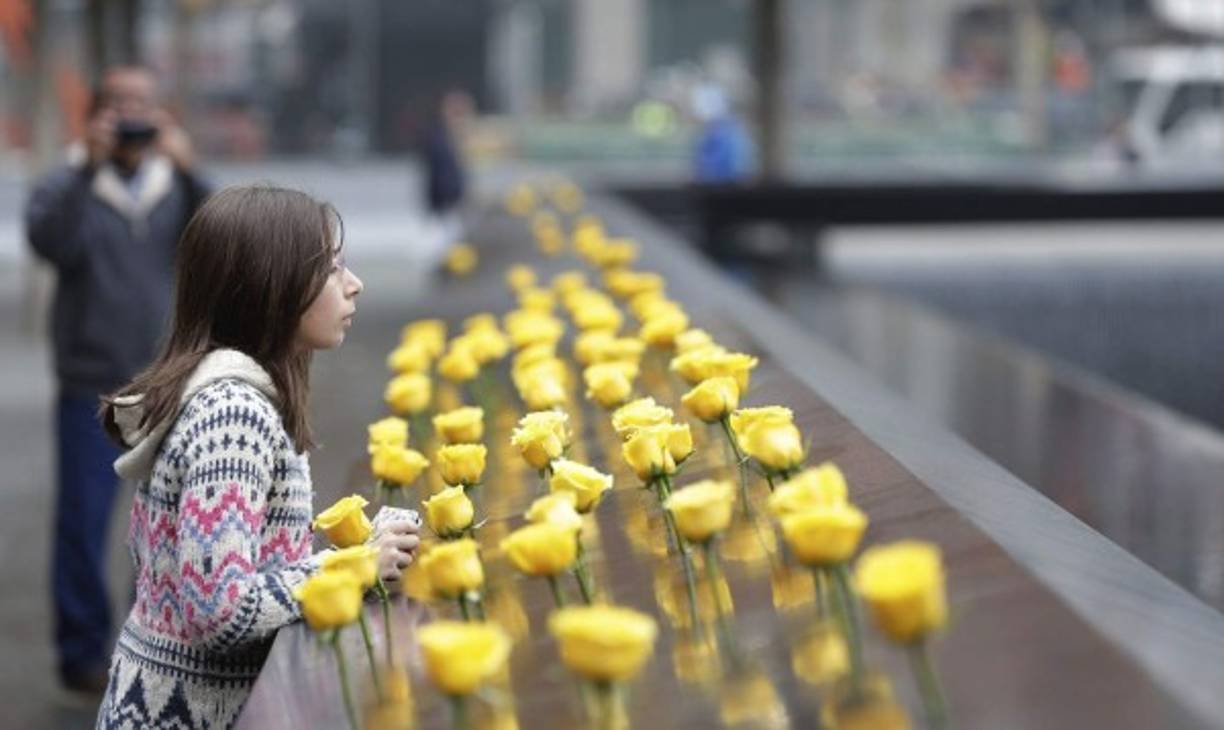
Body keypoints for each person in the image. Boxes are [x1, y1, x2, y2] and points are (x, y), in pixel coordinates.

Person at [93, 185, 422, 728]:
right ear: (270, 286)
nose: (354, 284)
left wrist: (362, 551)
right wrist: (354, 566)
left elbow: (238, 572)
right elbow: (220, 611)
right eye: (331, 267)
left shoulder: (232, 396)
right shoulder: (233, 415)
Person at [24, 65, 212, 695]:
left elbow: (216, 244)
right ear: (96, 113)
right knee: (82, 521)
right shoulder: (69, 180)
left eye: (143, 104)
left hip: (167, 379)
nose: (132, 114)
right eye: (119, 104)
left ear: (161, 114)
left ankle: (154, 641)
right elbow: (50, 242)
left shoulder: (174, 182)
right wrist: (86, 167)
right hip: (90, 381)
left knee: (164, 521)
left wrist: (188, 169)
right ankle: (80, 655)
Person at [421, 89, 472, 252]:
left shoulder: (451, 137)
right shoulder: (439, 138)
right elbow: (442, 176)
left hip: (449, 203)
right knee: (443, 247)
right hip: (444, 204)